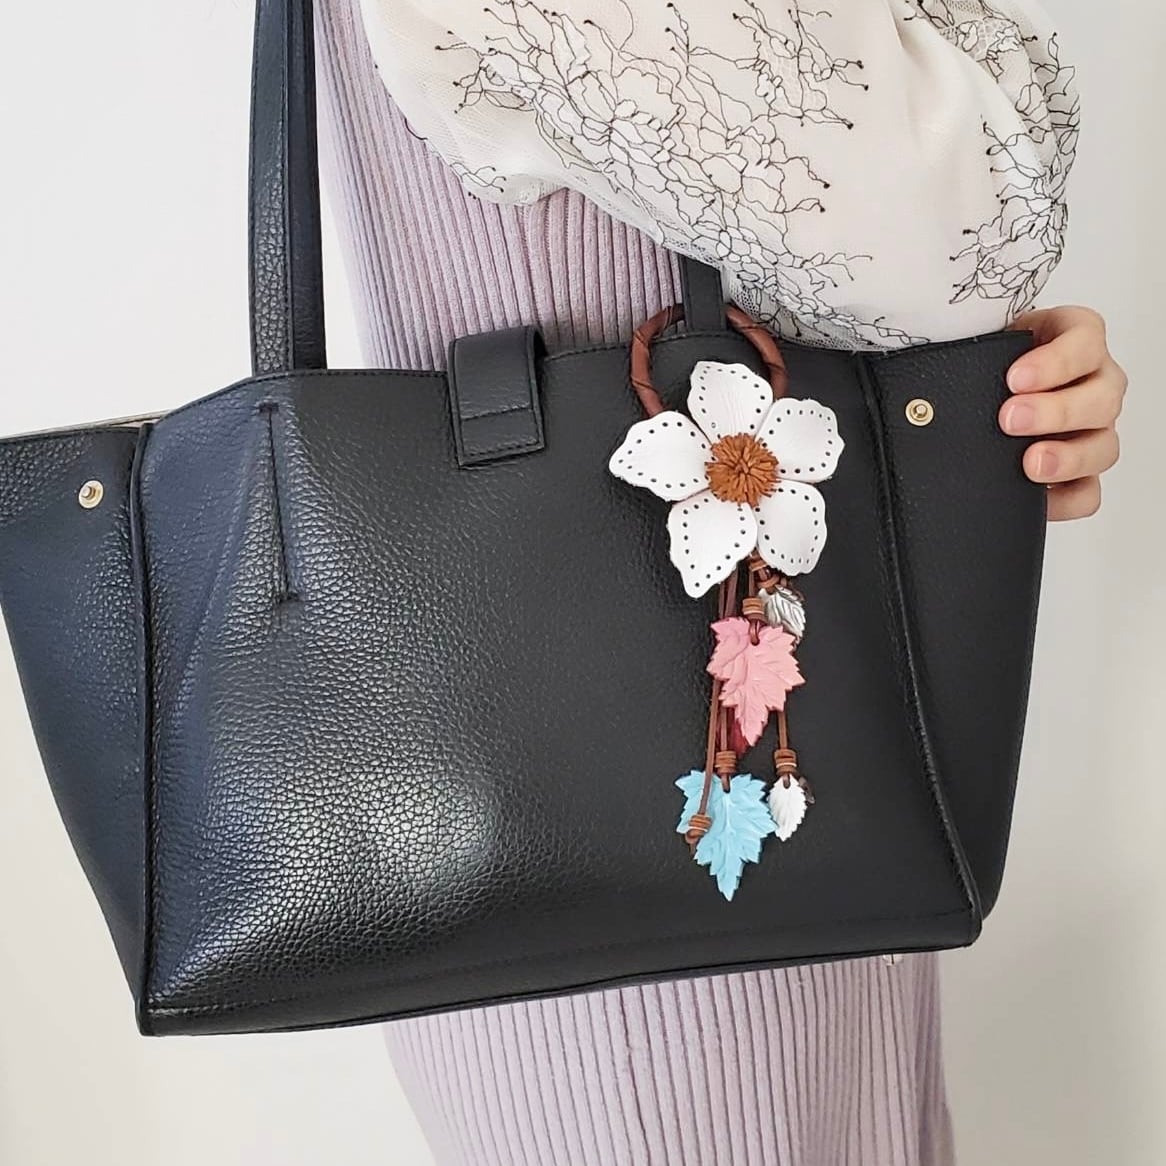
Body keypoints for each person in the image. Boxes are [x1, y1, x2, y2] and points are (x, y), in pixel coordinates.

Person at [313, 1, 1125, 1161]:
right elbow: (967, 211)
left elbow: (913, 235)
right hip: (652, 980)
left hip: (735, 828)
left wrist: (966, 413)